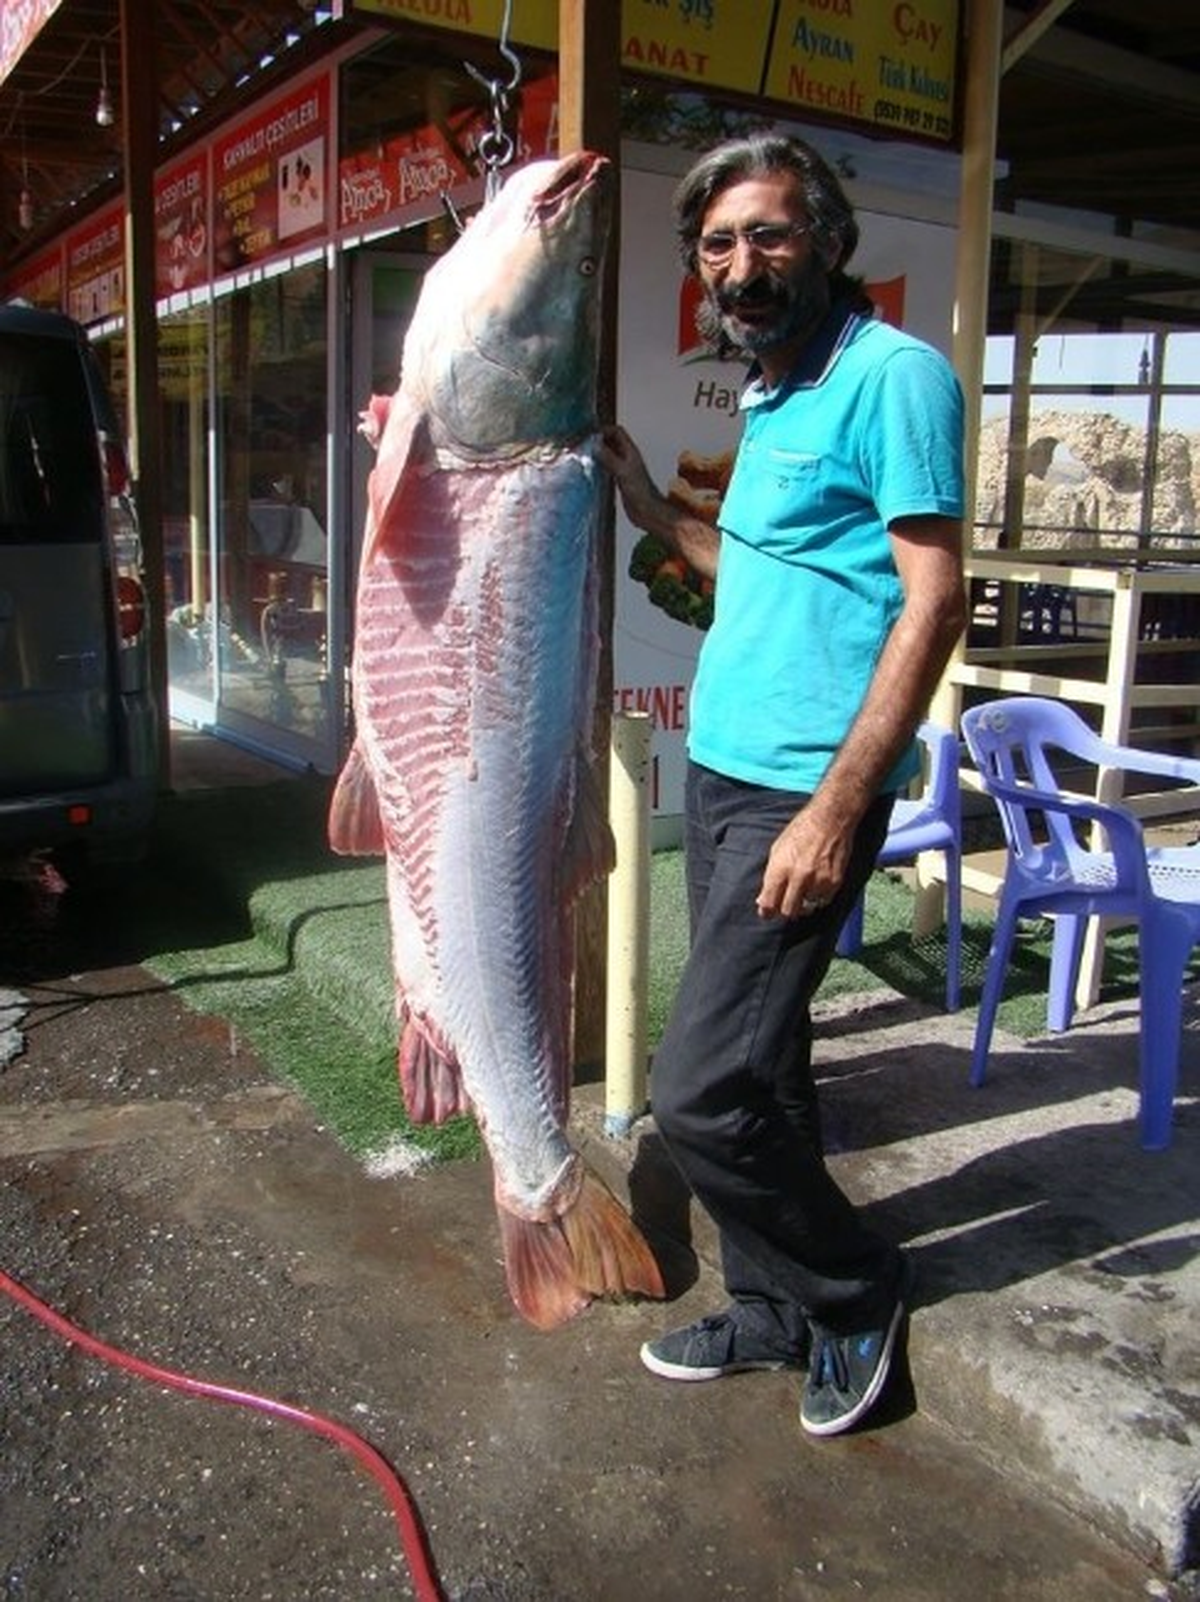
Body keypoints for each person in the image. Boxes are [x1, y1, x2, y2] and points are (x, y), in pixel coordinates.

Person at [599, 133, 967, 1437]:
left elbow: (934, 600)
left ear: (828, 241)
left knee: (700, 1092)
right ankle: (769, 1309)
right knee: (772, 1065)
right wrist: (651, 507)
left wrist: (834, 809)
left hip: (804, 790)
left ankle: (858, 1288)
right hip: (724, 766)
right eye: (717, 245)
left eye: (768, 234)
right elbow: (754, 563)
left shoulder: (892, 377)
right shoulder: (771, 390)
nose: (741, 265)